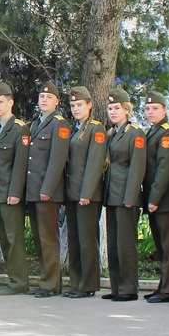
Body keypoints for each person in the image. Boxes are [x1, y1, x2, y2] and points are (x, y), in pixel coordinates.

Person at [24, 82, 69, 298]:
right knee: (39, 238)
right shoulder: (35, 124)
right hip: (33, 190)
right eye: (42, 96)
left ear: (57, 101)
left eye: (49, 97)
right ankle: (46, 280)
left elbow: (57, 160)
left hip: (46, 192)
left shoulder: (59, 124)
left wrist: (47, 189)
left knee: (48, 238)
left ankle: (51, 284)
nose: (44, 100)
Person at [62, 87, 106, 299]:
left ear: (90, 105)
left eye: (79, 105)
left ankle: (88, 284)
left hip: (87, 195)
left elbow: (95, 164)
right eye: (72, 105)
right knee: (74, 240)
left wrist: (86, 193)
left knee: (87, 241)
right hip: (72, 193)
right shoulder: (75, 129)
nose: (76, 109)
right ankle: (76, 282)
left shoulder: (96, 129)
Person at [102, 89, 145, 302]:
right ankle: (117, 286)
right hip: (112, 195)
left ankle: (129, 288)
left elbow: (137, 167)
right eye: (110, 108)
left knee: (126, 244)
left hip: (126, 196)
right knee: (114, 244)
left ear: (126, 110)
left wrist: (130, 197)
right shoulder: (111, 133)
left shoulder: (135, 133)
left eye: (117, 108)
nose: (113, 112)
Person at [0, 84, 29, 295]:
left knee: (14, 239)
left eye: (0, 102)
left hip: (10, 194)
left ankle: (20, 281)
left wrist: (15, 193)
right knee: (5, 239)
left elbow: (20, 164)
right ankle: (13, 278)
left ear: (10, 103)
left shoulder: (19, 129)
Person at [142, 92, 169, 303]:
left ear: (165, 110)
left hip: (165, 200)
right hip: (155, 197)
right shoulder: (153, 131)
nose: (150, 112)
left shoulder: (167, 134)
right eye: (147, 109)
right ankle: (164, 285)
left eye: (155, 108)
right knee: (162, 245)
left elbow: (164, 170)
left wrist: (154, 198)